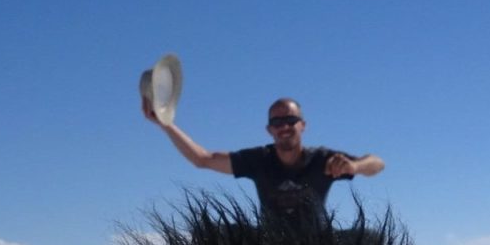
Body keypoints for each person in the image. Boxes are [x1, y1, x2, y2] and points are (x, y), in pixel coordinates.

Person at [145, 96, 384, 227]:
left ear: (303, 125)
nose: (285, 127)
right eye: (278, 123)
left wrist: (355, 167)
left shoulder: (323, 160)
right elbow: (202, 159)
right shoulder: (258, 160)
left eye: (291, 120)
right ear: (270, 129)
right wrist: (167, 125)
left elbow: (377, 163)